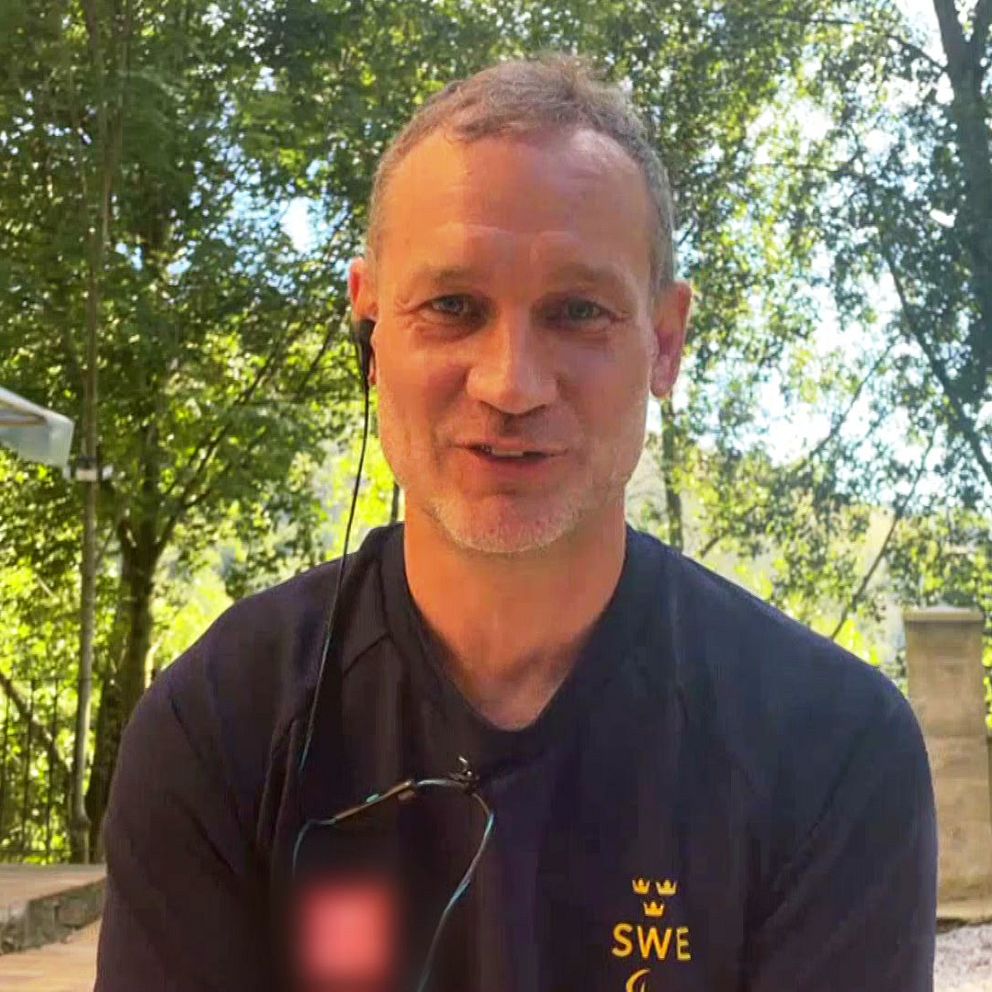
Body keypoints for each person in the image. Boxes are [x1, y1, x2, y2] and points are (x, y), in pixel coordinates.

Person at [94, 52, 937, 992]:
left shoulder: (829, 751)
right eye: (453, 307)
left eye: (578, 311)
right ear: (369, 329)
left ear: (664, 343)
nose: (511, 384)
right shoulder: (224, 727)